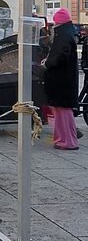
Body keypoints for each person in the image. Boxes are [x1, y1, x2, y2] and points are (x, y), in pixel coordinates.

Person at [44, 8, 79, 150]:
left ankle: (66, 141)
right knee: (63, 111)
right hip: (65, 80)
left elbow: (60, 56)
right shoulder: (67, 33)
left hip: (61, 80)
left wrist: (47, 62)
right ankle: (64, 139)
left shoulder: (62, 35)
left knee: (62, 112)